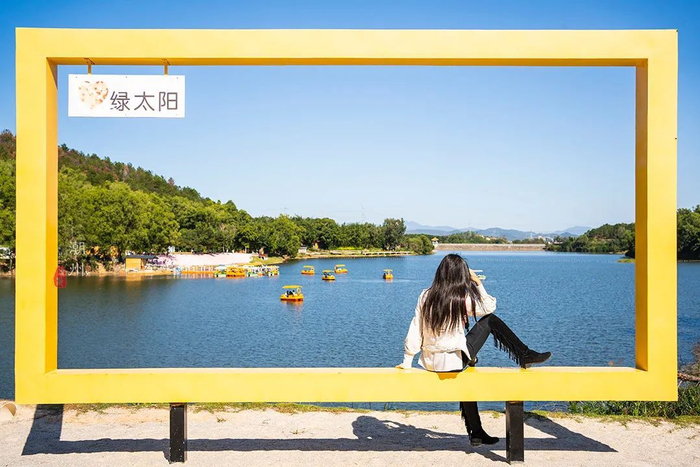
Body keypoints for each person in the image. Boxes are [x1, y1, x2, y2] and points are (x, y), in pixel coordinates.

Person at [397, 254, 551, 446]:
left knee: (468, 374)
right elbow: (489, 307)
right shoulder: (462, 298)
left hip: (430, 362)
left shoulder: (425, 295)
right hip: (453, 361)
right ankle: (524, 354)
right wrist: (477, 282)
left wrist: (407, 360)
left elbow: (415, 327)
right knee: (490, 321)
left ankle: (476, 432)